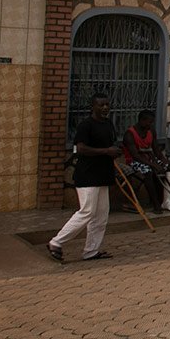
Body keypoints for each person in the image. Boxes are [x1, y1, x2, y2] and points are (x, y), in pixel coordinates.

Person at [48, 92, 121, 262]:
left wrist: (113, 151)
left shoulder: (109, 124)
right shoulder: (86, 125)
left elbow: (111, 144)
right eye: (101, 105)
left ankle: (91, 251)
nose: (104, 108)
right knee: (86, 212)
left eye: (107, 105)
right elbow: (80, 148)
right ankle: (56, 242)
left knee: (102, 215)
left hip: (103, 174)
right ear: (92, 107)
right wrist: (106, 151)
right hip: (87, 175)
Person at [122, 110, 170, 211]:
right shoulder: (129, 134)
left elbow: (156, 150)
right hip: (134, 161)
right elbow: (135, 156)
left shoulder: (151, 131)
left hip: (150, 159)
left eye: (152, 122)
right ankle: (156, 203)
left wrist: (164, 161)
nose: (151, 124)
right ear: (141, 120)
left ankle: (166, 200)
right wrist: (153, 164)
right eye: (149, 122)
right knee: (148, 171)